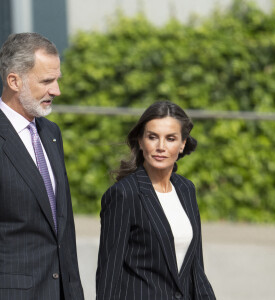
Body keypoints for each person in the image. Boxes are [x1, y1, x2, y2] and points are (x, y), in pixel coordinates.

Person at [96, 101, 216, 300]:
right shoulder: (124, 194)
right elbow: (109, 273)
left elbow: (196, 268)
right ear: (141, 141)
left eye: (170, 139)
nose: (161, 147)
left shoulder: (186, 189)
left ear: (182, 143)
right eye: (153, 137)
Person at [0, 33, 84, 300]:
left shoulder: (50, 132)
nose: (57, 90)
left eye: (57, 79)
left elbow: (62, 228)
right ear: (14, 80)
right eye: (47, 81)